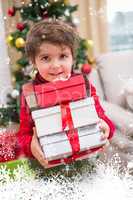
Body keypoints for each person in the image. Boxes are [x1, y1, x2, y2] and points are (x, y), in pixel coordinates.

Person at [16, 19, 115, 168]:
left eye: (63, 56)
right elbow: (23, 135)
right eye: (45, 58)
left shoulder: (85, 85)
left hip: (87, 163)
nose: (55, 66)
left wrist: (106, 126)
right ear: (33, 61)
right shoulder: (30, 94)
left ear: (73, 57)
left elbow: (102, 118)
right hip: (51, 169)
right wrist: (31, 145)